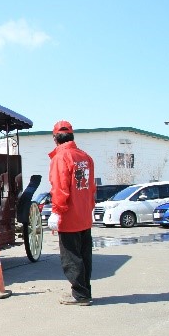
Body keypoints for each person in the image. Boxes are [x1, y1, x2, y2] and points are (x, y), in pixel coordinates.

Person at [48, 120, 96, 306]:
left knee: (71, 258)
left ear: (55, 139)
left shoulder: (61, 158)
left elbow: (60, 187)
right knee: (84, 256)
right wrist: (89, 208)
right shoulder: (86, 157)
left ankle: (80, 295)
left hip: (69, 216)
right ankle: (84, 291)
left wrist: (56, 212)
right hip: (84, 215)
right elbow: (91, 188)